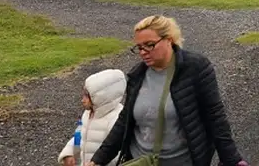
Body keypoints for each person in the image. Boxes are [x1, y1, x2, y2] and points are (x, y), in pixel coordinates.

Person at [88, 15, 248, 166]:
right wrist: (98, 160)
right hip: (141, 161)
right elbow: (124, 121)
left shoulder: (196, 68)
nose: (143, 52)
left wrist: (231, 159)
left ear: (169, 40)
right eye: (139, 47)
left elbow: (215, 116)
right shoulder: (137, 75)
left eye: (150, 45)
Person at [58, 69, 126, 166]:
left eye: (87, 96)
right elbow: (80, 135)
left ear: (100, 97)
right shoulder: (88, 113)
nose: (82, 100)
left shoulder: (116, 118)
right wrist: (69, 152)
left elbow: (117, 153)